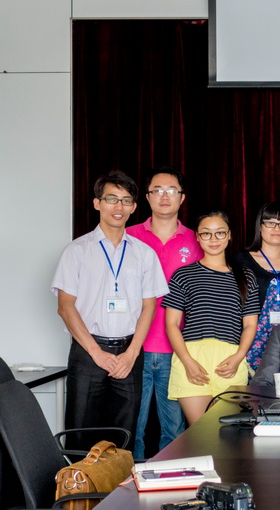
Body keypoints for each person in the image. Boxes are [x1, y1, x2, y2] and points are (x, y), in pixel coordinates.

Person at [52, 170, 168, 450]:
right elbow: (65, 307)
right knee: (81, 431)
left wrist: (132, 353)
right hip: (88, 352)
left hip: (129, 353)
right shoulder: (77, 251)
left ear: (134, 207)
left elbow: (149, 307)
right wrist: (97, 353)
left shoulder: (144, 253)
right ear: (97, 203)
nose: (119, 207)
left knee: (123, 434)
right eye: (111, 199)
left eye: (126, 201)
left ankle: (118, 481)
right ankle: (79, 480)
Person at [127, 167, 203, 459]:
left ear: (182, 198)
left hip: (178, 349)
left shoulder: (197, 240)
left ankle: (173, 482)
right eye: (157, 190)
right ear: (146, 197)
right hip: (134, 347)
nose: (164, 196)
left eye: (171, 190)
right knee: (133, 427)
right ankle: (128, 484)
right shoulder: (129, 236)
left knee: (174, 429)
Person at [163, 211, 260, 425]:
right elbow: (171, 324)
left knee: (228, 433)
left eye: (220, 233)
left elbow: (250, 324)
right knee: (201, 431)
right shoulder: (183, 275)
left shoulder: (246, 276)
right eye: (206, 233)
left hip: (230, 359)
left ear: (229, 235)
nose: (213, 239)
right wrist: (187, 361)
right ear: (197, 237)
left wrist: (238, 357)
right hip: (192, 358)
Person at [234, 201, 280, 374]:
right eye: (270, 222)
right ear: (260, 226)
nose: (277, 228)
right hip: (247, 342)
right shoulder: (241, 261)